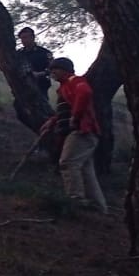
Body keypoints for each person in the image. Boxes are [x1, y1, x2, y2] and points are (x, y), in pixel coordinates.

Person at [42, 57, 108, 213]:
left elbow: (85, 92)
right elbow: (65, 109)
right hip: (82, 132)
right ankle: (99, 207)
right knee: (86, 169)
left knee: (68, 162)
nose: (52, 73)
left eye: (55, 70)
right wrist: (52, 122)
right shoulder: (64, 88)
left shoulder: (75, 81)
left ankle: (75, 200)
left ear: (64, 70)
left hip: (82, 131)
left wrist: (75, 117)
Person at [17, 27, 53, 99]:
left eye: (25, 37)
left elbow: (52, 68)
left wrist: (40, 74)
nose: (23, 40)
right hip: (23, 87)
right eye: (22, 38)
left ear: (33, 37)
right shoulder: (18, 54)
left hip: (41, 85)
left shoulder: (44, 52)